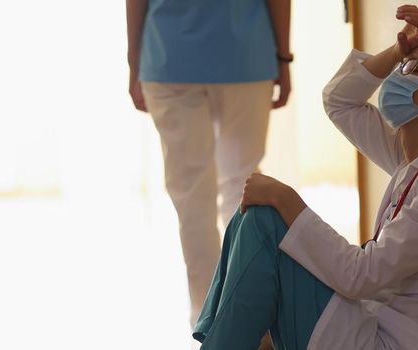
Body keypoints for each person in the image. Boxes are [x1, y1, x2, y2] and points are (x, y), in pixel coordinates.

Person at [191, 5, 418, 350]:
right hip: (372, 327)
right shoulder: (416, 159)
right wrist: (398, 50)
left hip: (391, 343)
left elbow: (361, 276)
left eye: (411, 67)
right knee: (256, 217)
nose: (398, 74)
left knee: (266, 220)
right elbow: (339, 100)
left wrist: (288, 201)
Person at [124, 0, 292, 331]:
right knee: (243, 192)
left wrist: (134, 64)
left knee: (192, 203)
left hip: (168, 55)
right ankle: (246, 318)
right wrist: (284, 58)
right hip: (245, 53)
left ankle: (209, 324)